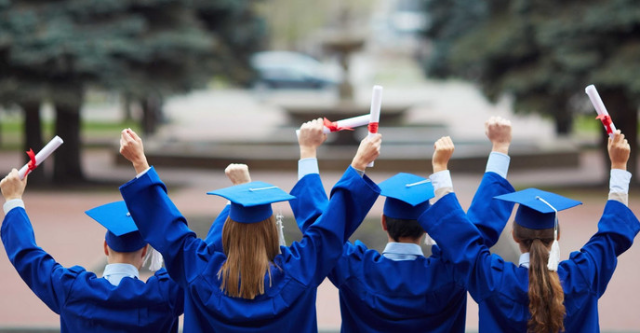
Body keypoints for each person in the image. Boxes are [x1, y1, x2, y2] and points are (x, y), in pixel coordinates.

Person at [117, 128, 382, 332]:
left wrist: (140, 163)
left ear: (227, 232)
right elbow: (328, 229)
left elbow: (169, 229)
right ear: (270, 231)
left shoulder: (199, 270)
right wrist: (357, 165)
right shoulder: (299, 269)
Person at [288, 117, 516, 331]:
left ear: (384, 222)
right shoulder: (451, 271)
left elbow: (320, 234)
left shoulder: (354, 268)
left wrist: (309, 151)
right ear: (428, 226)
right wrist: (500, 147)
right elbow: (473, 236)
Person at [434, 130, 639, 332]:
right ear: (557, 235)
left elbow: (460, 239)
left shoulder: (493, 279)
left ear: (514, 235)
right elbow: (612, 234)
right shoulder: (583, 275)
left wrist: (441, 167)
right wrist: (619, 165)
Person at [0, 172, 184, 332]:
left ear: (105, 246)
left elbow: (27, 255)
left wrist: (13, 200)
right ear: (145, 251)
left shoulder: (72, 290)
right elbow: (195, 260)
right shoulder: (165, 295)